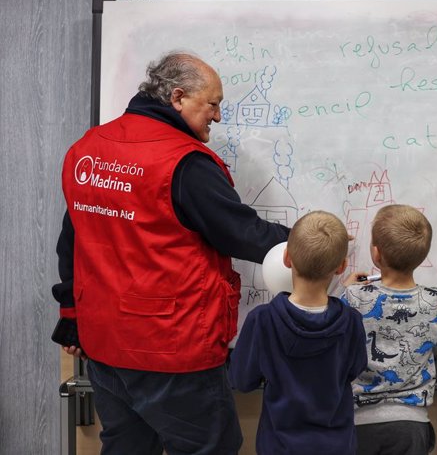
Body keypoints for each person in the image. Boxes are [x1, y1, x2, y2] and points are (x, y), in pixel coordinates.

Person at [51, 51, 290, 455]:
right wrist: (310, 241)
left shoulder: (88, 149)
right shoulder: (182, 162)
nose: (217, 116)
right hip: (170, 349)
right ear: (178, 97)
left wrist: (71, 316)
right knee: (210, 447)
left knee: (127, 447)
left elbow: (72, 240)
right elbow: (241, 233)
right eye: (212, 104)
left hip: (106, 345)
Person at [229, 210, 368, 455]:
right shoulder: (352, 321)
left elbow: (242, 380)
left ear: (286, 257)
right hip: (337, 446)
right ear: (341, 267)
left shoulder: (262, 320)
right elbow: (354, 370)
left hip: (280, 446)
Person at [341, 204, 437, 455]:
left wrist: (345, 291)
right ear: (423, 257)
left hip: (360, 422)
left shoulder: (353, 297)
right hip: (411, 423)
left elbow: (336, 331)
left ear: (376, 254)